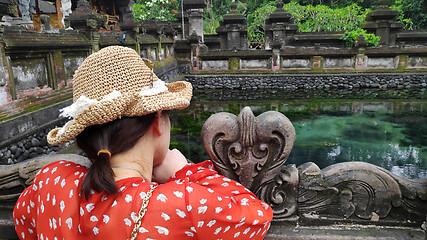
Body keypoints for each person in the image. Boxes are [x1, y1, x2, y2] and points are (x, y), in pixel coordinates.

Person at [13, 46, 273, 239]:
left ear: (85, 135)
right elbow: (257, 215)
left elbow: (23, 222)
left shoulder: (52, 180)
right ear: (158, 120)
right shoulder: (180, 203)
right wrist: (184, 171)